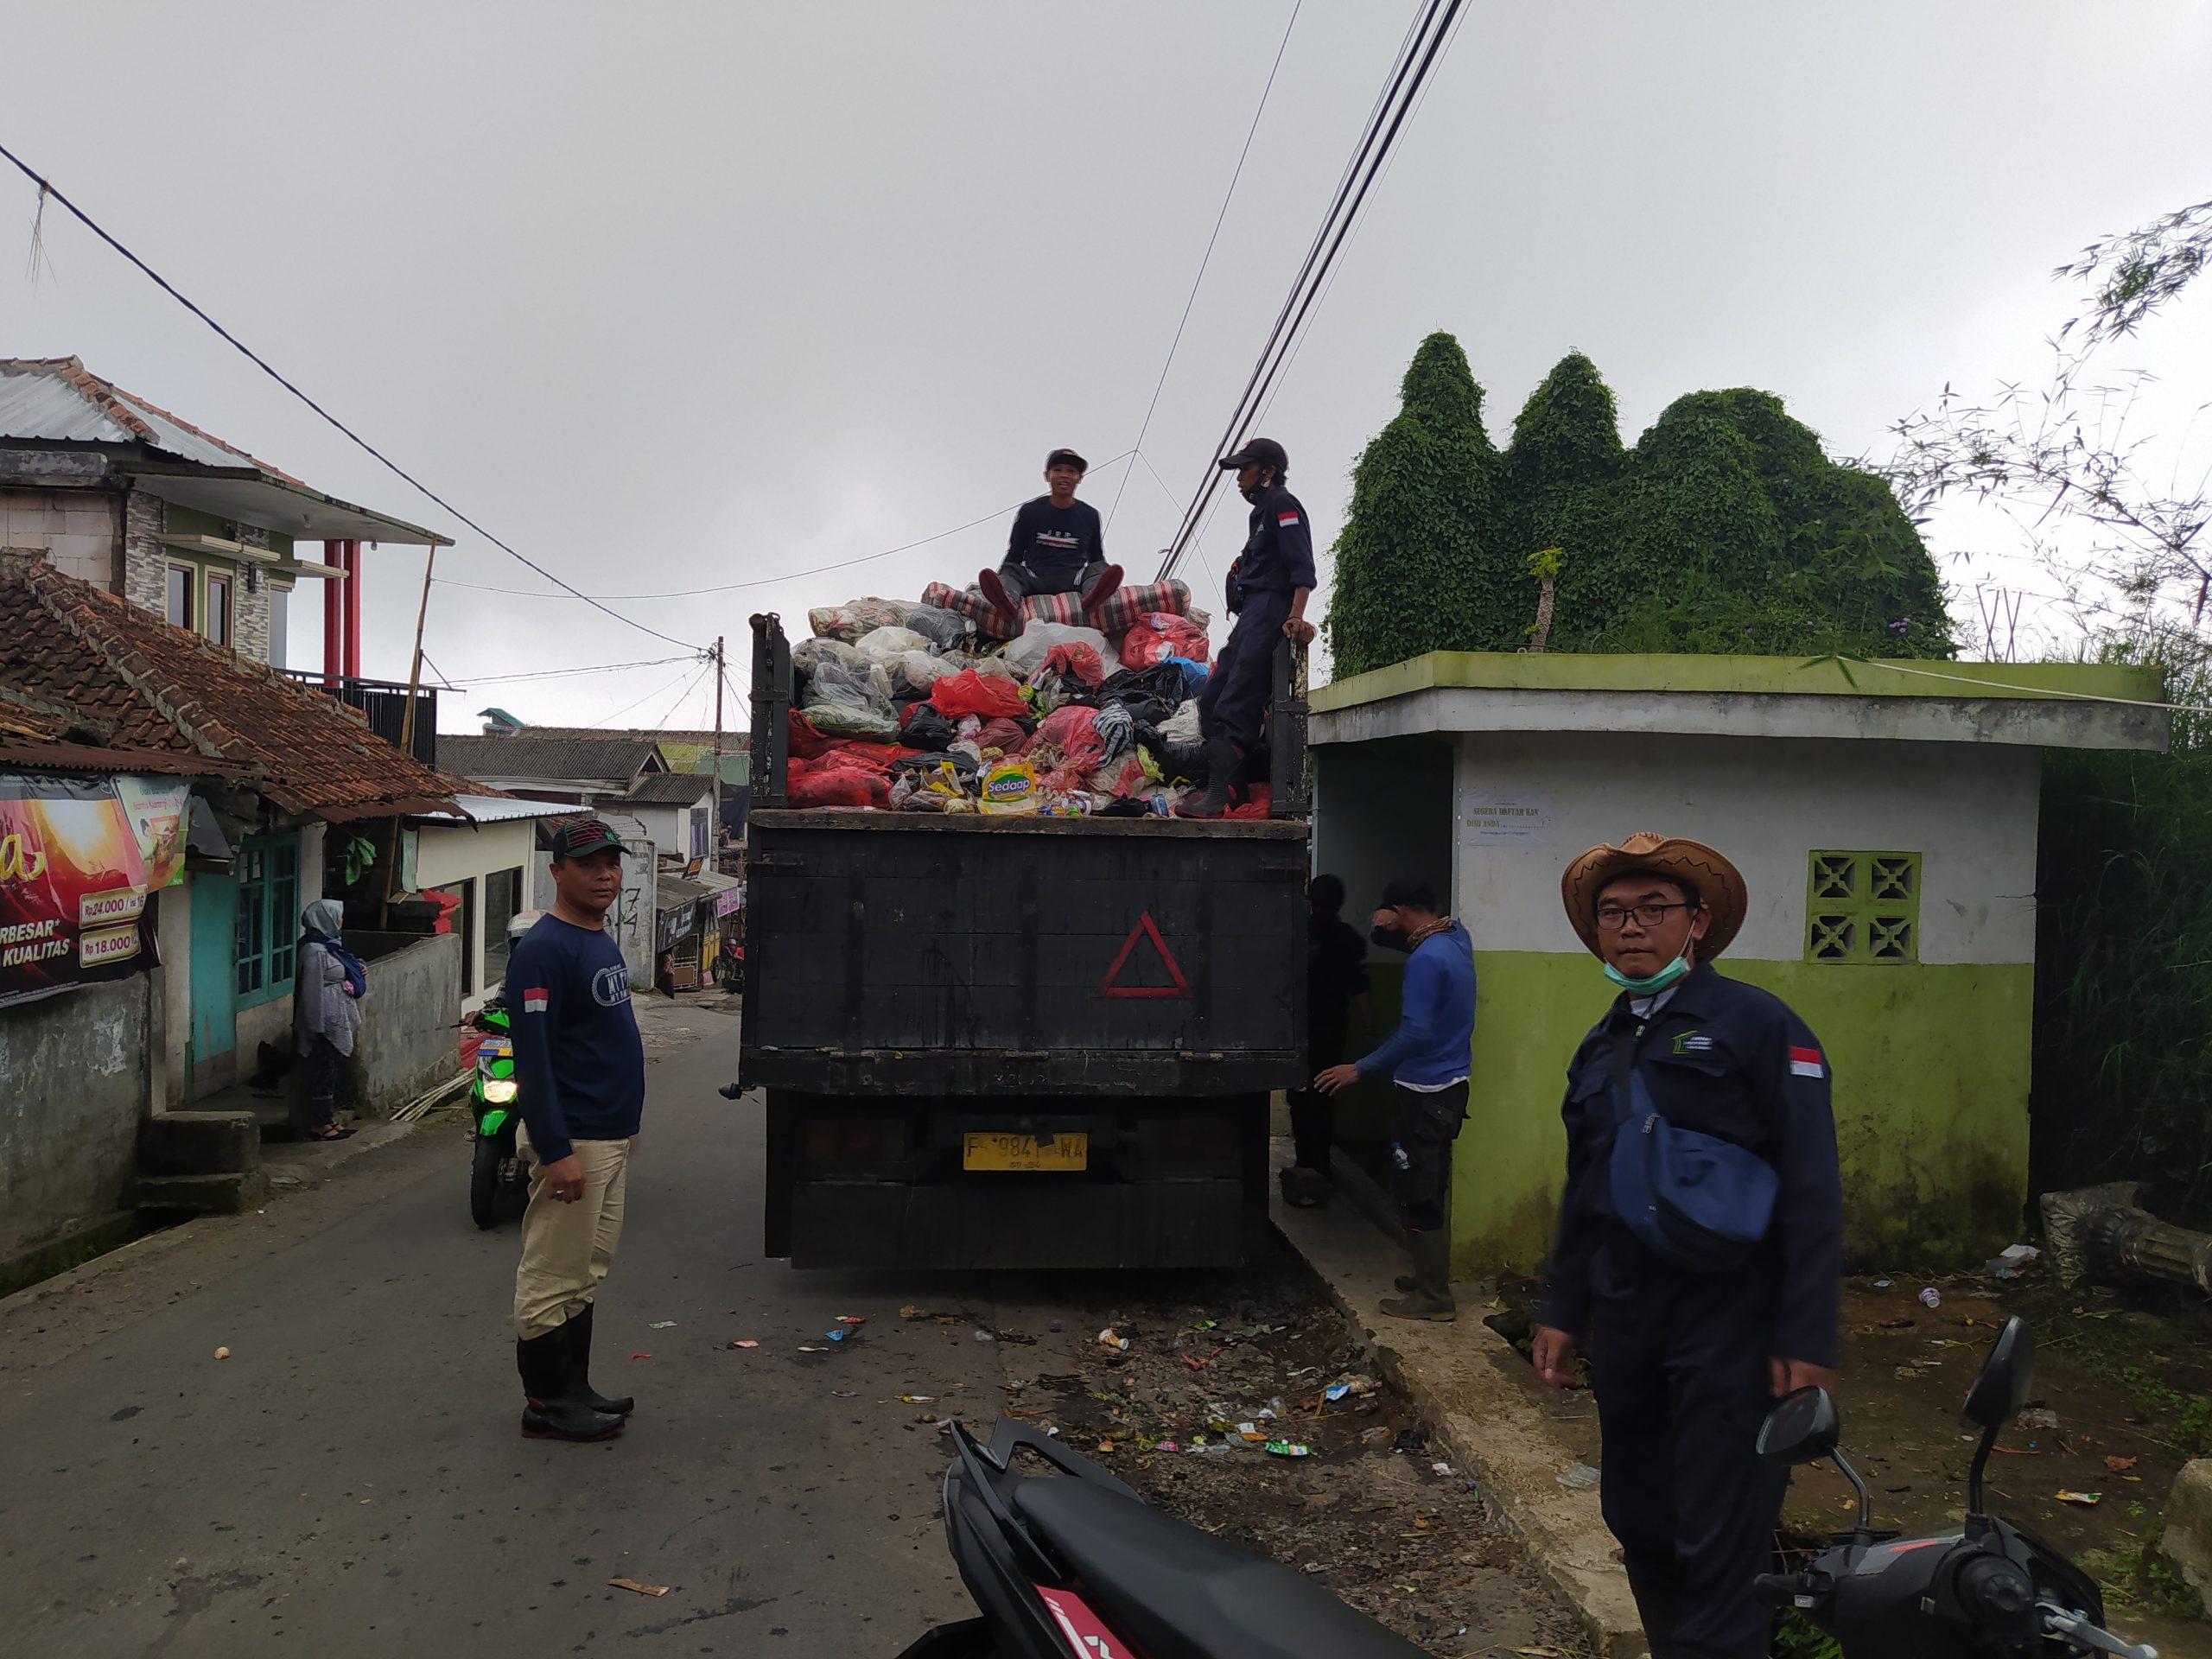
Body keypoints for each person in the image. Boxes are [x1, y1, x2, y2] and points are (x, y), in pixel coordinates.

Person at [1529, 833, 1841, 1659]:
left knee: (1721, 1533)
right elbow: (1585, 1193)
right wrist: (1563, 1310)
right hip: (1631, 1323)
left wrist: (1806, 1337)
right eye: (1612, 913)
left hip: (1731, 1324)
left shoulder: (1760, 1026)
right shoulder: (1600, 1048)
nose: (1631, 927)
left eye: (1653, 910)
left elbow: (1813, 1187)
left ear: (1696, 923)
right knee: (1638, 1519)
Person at [506, 817, 648, 1443]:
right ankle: (545, 1403)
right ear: (557, 870)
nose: (605, 874)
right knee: (552, 1272)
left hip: (608, 1135)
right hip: (576, 1139)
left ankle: (576, 1386)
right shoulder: (544, 948)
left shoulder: (597, 935)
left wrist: (625, 1129)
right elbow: (532, 1056)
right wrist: (555, 1148)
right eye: (589, 864)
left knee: (588, 1267)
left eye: (611, 863)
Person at [1315, 880, 1475, 1320]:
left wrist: (1359, 1068)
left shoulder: (1426, 959)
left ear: (1400, 909)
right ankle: (1427, 1278)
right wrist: (1390, 927)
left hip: (1423, 1094)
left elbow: (1416, 1033)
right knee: (1430, 1182)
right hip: (1451, 1088)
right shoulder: (1456, 939)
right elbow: (1425, 951)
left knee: (1415, 1189)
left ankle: (1434, 1299)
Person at [1182, 437, 1317, 817]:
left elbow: (1302, 569)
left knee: (1237, 699)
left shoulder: (1282, 504)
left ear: (1268, 472)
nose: (1239, 478)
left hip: (1272, 608)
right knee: (1212, 700)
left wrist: (1294, 615)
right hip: (1252, 612)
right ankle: (1227, 787)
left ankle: (1216, 800)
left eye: (1245, 469)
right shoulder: (1260, 514)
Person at [1281, 874, 1370, 1208]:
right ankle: (1314, 1165)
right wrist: (1370, 1028)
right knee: (1316, 1099)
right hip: (1323, 1031)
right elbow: (1361, 988)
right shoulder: (1347, 939)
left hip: (1307, 1031)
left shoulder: (1296, 933)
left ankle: (1311, 1164)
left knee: (1309, 1098)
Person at [977, 448, 1121, 630]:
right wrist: (1001, 580)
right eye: (1058, 470)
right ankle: (1007, 602)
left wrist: (1101, 574)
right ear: (1047, 475)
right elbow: (1014, 554)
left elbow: (1096, 557)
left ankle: (1094, 598)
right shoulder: (1030, 511)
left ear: (1080, 478)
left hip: (1074, 580)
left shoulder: (1090, 515)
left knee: (1100, 567)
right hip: (1035, 579)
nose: (1065, 476)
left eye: (1071, 472)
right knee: (1011, 569)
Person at [294, 899, 364, 1141]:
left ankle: (328, 1119)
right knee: (323, 1072)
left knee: (330, 1071)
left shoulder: (329, 946)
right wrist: (315, 1027)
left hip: (335, 1018)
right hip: (324, 1023)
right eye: (338, 917)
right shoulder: (314, 951)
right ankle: (320, 1124)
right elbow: (310, 994)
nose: (341, 922)